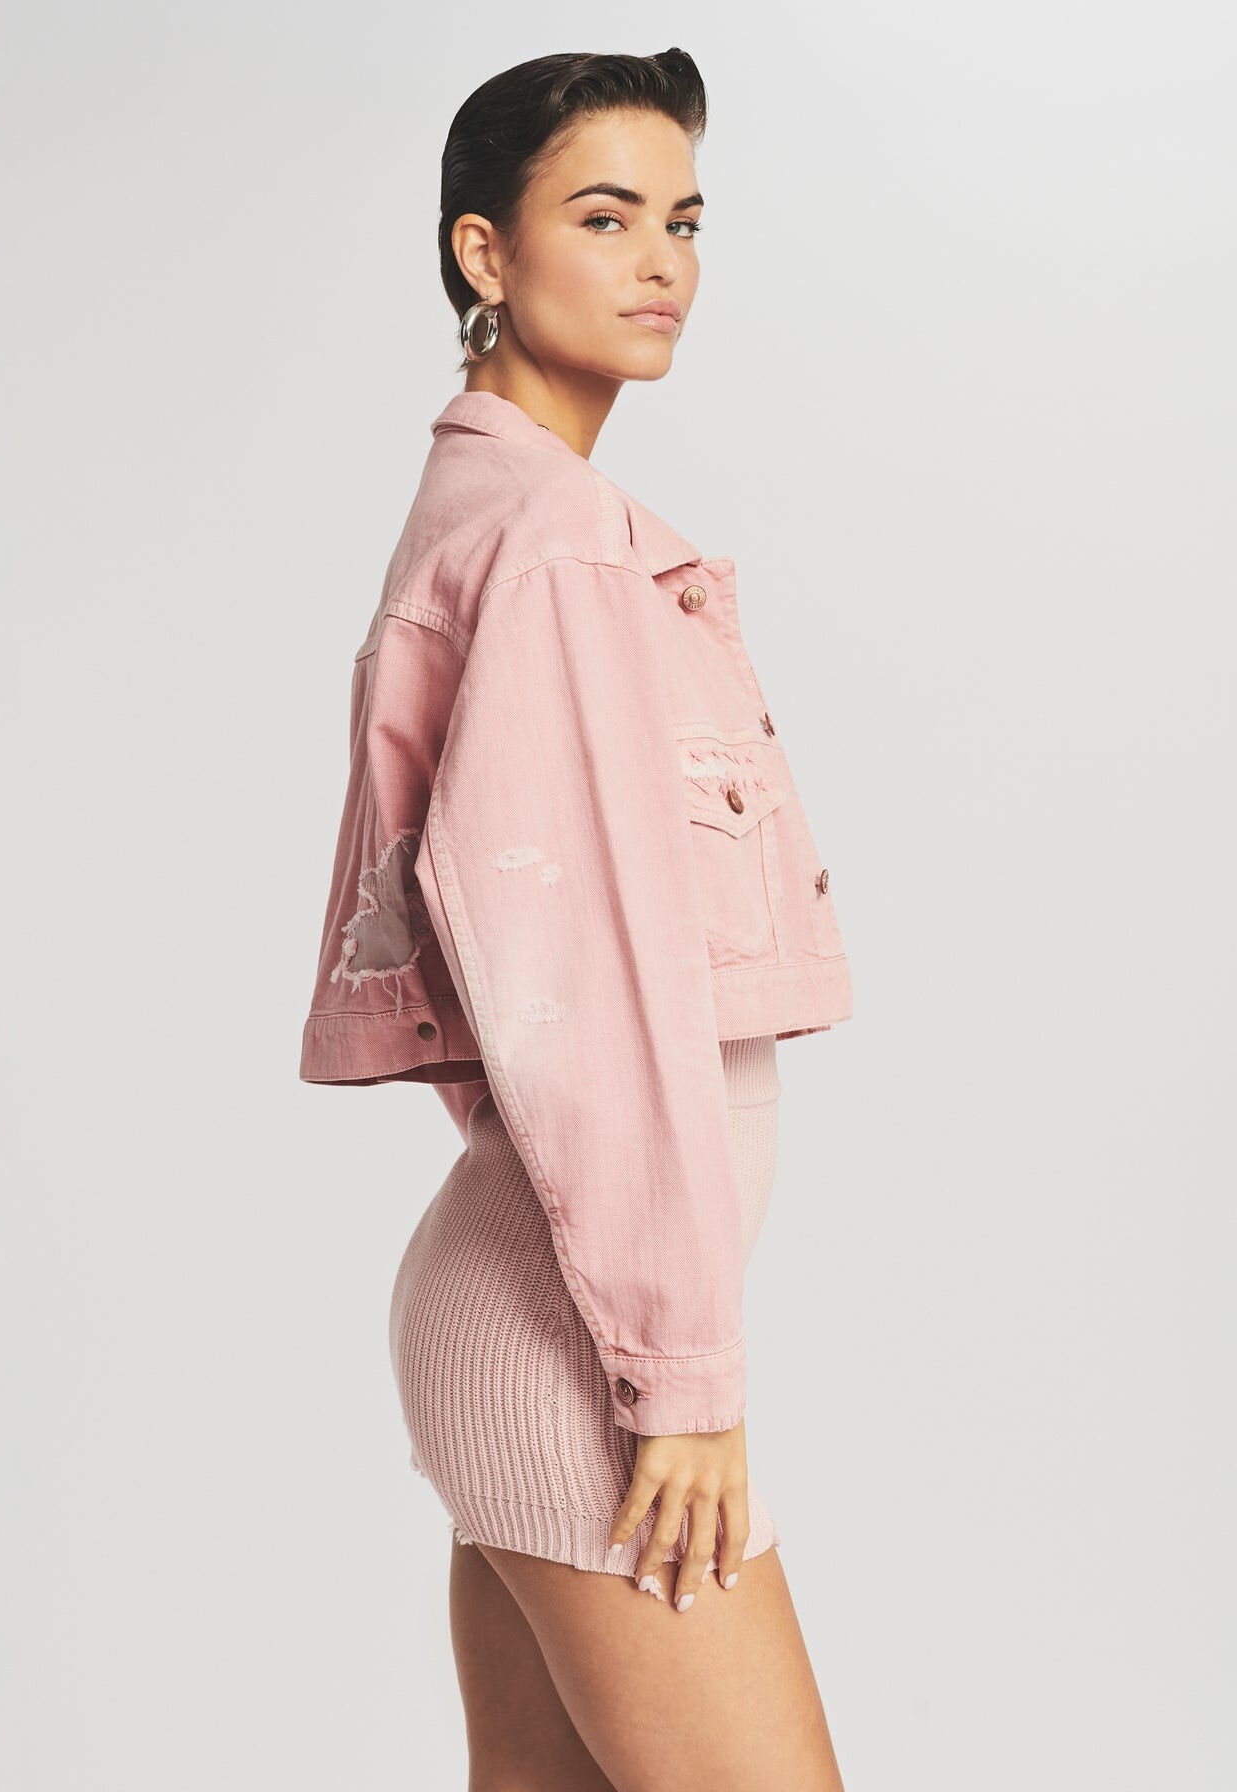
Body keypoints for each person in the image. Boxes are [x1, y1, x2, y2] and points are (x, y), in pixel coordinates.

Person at [299, 48, 853, 1791]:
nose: (661, 261)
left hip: (543, 1304)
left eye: (683, 220)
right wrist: (682, 1377)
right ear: (485, 250)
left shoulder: (511, 516)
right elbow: (582, 991)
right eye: (604, 217)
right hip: (582, 1349)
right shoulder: (558, 540)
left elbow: (509, 967)